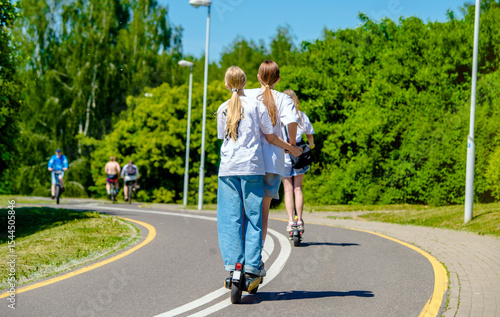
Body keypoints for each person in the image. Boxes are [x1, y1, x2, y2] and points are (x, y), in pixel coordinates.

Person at [216, 66, 301, 280]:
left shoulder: (228, 104)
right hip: (259, 165)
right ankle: (253, 264)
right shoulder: (264, 103)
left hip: (230, 167)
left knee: (233, 218)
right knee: (256, 217)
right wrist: (292, 146)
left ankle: (236, 263)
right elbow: (275, 133)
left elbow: (223, 136)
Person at [245, 60, 300, 246]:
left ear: (258, 77)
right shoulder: (283, 99)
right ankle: (258, 255)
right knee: (264, 211)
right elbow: (292, 121)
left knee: (247, 210)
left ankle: (245, 253)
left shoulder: (248, 94)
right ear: (278, 79)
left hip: (249, 161)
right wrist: (291, 145)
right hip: (273, 160)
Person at [281, 89, 315, 233]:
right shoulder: (301, 116)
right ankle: (299, 220)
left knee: (287, 189)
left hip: (283, 155)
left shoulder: (279, 116)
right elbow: (310, 134)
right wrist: (311, 145)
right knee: (298, 188)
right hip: (299, 154)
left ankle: (290, 221)